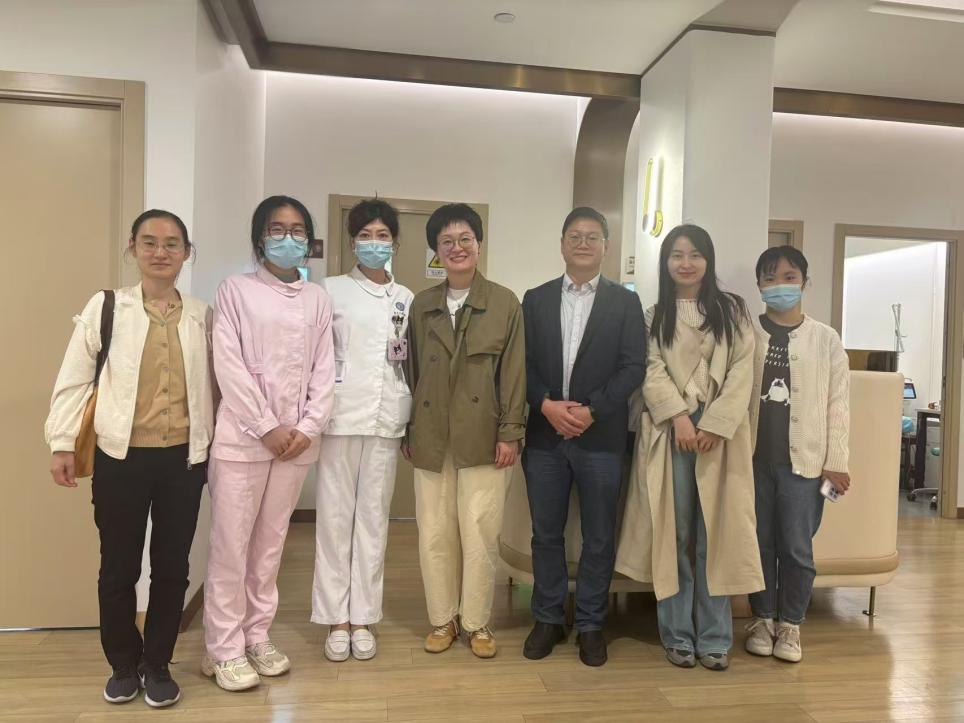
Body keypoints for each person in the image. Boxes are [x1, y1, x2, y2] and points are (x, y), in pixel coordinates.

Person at [45, 210, 214, 708]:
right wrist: (61, 442)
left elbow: (216, 387)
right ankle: (122, 663)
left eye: (172, 243)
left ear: (187, 252)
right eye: (149, 242)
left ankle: (157, 663)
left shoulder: (202, 315)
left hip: (184, 461)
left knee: (172, 568)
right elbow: (74, 378)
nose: (161, 252)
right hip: (120, 459)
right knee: (118, 568)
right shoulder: (107, 307)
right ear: (133, 249)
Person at [202, 195, 335, 691]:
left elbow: (325, 369)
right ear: (260, 237)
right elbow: (228, 364)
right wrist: (266, 426)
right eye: (277, 229)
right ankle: (223, 648)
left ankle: (256, 635)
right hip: (244, 439)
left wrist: (308, 426)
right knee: (230, 547)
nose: (288, 238)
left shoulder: (317, 298)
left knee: (269, 547)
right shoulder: (235, 290)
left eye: (298, 230)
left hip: (296, 443)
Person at [615, 224, 762, 671]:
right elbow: (650, 368)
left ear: (708, 260)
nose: (686, 263)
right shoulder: (655, 315)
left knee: (715, 532)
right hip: (671, 432)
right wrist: (678, 416)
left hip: (721, 435)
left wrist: (715, 423)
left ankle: (715, 636)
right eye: (676, 255)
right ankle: (677, 632)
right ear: (665, 263)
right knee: (674, 532)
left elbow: (742, 371)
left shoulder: (733, 311)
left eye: (695, 254)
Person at [521, 207, 646, 667]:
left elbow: (633, 366)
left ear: (606, 247)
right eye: (575, 235)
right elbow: (521, 363)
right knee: (545, 534)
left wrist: (592, 410)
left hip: (601, 438)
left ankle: (592, 623)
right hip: (544, 435)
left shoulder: (625, 303)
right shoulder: (535, 299)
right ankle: (548, 618)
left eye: (593, 236)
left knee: (598, 537)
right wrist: (547, 405)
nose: (583, 243)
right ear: (562, 244)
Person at [404, 203, 526, 659]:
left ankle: (477, 622)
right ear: (436, 251)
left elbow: (514, 374)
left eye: (465, 239)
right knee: (434, 532)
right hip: (431, 435)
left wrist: (510, 432)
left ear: (478, 244)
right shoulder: (422, 305)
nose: (457, 248)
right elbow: (411, 374)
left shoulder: (504, 303)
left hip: (484, 437)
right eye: (446, 241)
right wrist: (409, 430)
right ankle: (443, 618)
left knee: (480, 534)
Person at [311, 199, 414, 662]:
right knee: (335, 520)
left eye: (383, 236)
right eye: (366, 235)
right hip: (338, 418)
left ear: (395, 242)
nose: (375, 243)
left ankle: (364, 617)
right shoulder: (329, 290)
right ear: (352, 242)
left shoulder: (406, 298)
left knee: (374, 520)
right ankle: (336, 618)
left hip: (387, 419)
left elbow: (407, 362)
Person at [744, 245, 850, 663]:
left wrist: (836, 462)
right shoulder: (746, 333)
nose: (780, 286)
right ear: (758, 285)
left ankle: (790, 625)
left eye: (789, 277)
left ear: (805, 282)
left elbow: (838, 403)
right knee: (758, 544)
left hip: (804, 465)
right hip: (751, 461)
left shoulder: (825, 339)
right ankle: (761, 619)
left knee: (796, 548)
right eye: (770, 278)